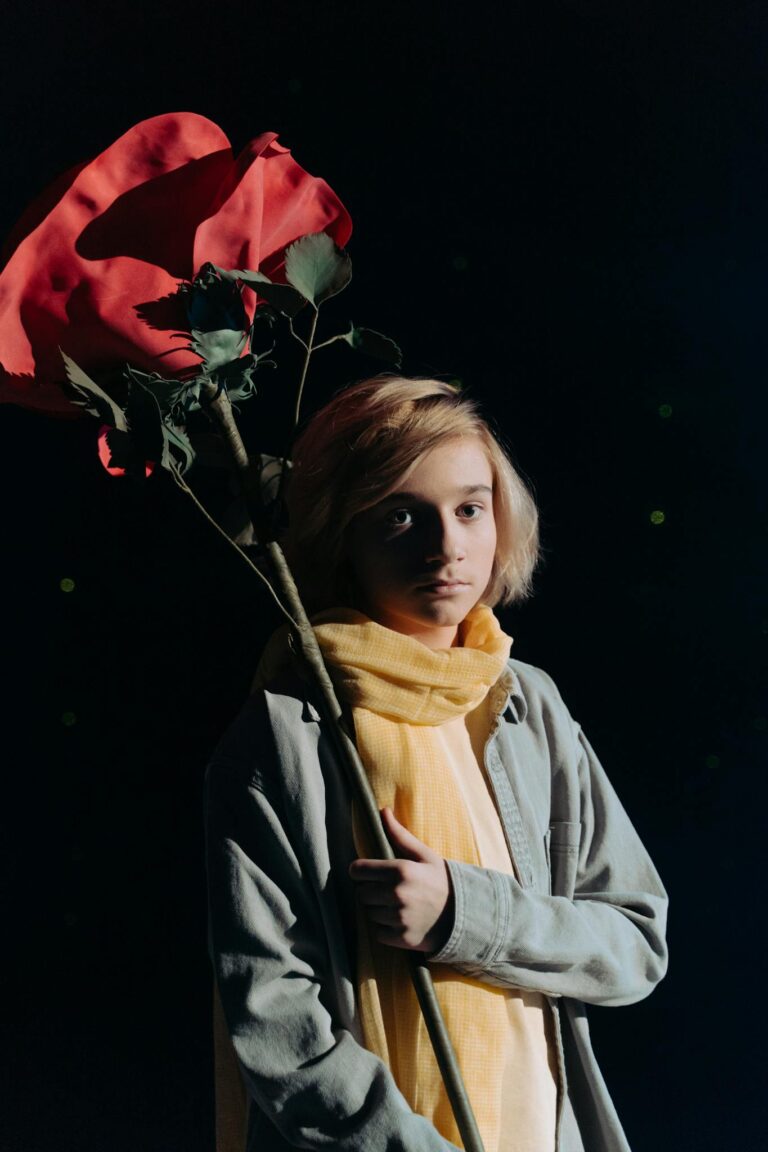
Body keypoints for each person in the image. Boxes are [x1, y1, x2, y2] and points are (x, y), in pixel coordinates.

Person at [204, 375, 668, 1152]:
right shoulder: (280, 739)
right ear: (339, 532)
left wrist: (466, 915)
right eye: (399, 514)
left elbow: (634, 945)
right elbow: (275, 1022)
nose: (446, 546)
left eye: (469, 509)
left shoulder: (527, 705)